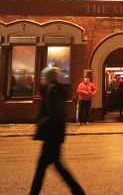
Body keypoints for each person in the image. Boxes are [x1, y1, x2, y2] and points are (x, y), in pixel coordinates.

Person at [29, 67, 86, 195]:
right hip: (55, 133)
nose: (42, 80)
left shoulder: (51, 90)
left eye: (43, 77)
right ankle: (78, 191)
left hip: (51, 134)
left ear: (48, 78)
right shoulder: (55, 90)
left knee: (43, 167)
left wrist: (40, 124)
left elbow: (53, 113)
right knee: (56, 166)